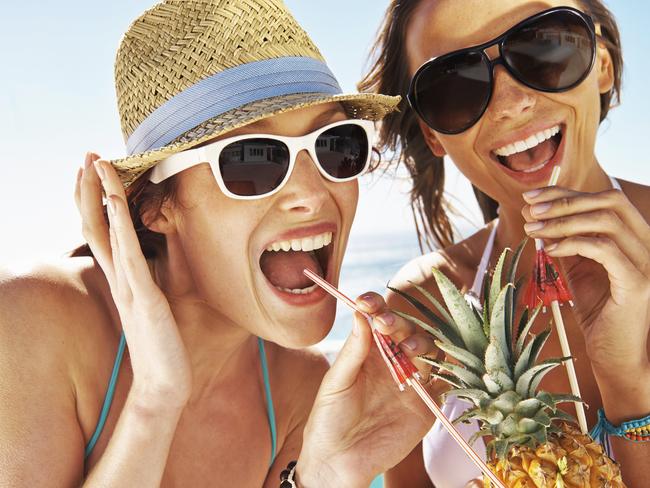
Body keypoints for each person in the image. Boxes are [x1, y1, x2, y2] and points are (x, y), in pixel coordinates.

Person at [0, 1, 433, 486]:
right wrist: (156, 400)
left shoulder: (306, 390)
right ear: (155, 207)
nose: (312, 195)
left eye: (335, 144)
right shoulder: (30, 320)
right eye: (252, 160)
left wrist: (322, 478)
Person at [359, 0, 650, 486]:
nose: (513, 103)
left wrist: (626, 378)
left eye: (544, 46)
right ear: (432, 133)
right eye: (456, 84)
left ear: (600, 64)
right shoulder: (422, 307)